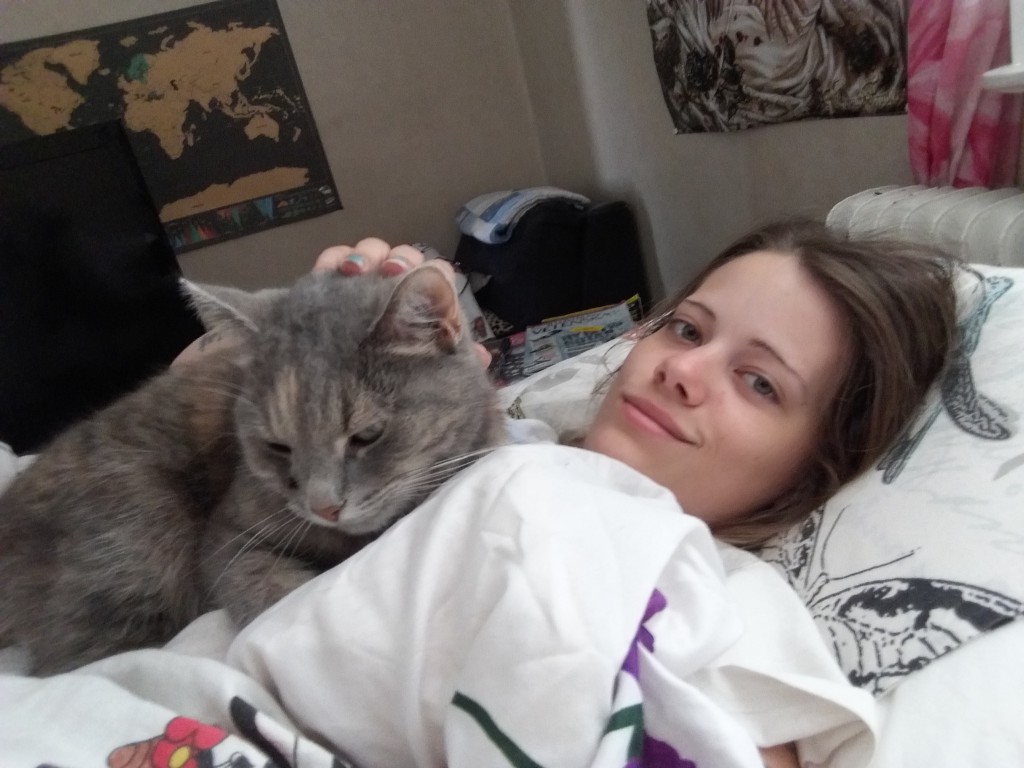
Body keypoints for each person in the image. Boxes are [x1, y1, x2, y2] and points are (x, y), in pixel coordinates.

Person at [177, 221, 960, 768]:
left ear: (814, 468)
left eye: (759, 382)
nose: (683, 370)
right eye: (688, 330)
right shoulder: (506, 442)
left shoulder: (724, 594)